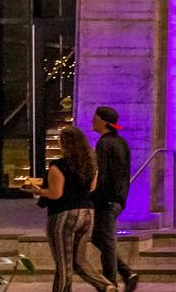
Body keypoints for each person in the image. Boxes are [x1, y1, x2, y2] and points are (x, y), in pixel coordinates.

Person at [32, 124, 112, 292]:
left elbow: (55, 194)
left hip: (64, 215)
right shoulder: (91, 164)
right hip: (87, 213)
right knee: (79, 260)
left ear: (64, 143)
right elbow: (92, 187)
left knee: (63, 265)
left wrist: (39, 191)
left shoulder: (58, 166)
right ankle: (106, 286)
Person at [91, 106, 139, 292]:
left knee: (107, 240)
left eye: (95, 118)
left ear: (103, 121)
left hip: (107, 199)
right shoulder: (121, 142)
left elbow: (103, 175)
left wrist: (95, 197)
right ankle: (126, 273)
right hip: (118, 198)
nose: (92, 122)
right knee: (98, 237)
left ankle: (110, 283)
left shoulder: (104, 144)